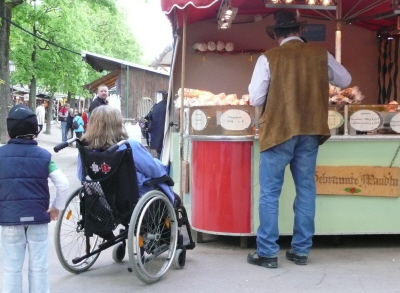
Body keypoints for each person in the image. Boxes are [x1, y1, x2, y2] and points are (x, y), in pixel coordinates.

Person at [246, 10, 351, 269]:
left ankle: (268, 253)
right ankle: (301, 251)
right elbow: (346, 80)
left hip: (279, 132)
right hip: (311, 129)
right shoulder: (320, 54)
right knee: (306, 190)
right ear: (299, 31)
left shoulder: (268, 58)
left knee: (270, 193)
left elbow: (255, 99)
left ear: (277, 35)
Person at [0, 104, 69, 293]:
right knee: (39, 266)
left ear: (9, 132)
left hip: (10, 220)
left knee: (11, 268)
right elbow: (62, 184)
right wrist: (56, 207)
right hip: (38, 218)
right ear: (36, 132)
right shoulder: (45, 157)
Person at [77, 105, 174, 203]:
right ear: (118, 124)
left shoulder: (86, 151)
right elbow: (155, 171)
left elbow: (81, 176)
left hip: (102, 203)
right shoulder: (128, 146)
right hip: (133, 201)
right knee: (173, 196)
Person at [145, 92, 168, 159]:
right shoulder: (168, 107)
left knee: (159, 157)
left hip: (157, 139)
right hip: (164, 138)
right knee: (164, 158)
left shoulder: (156, 106)